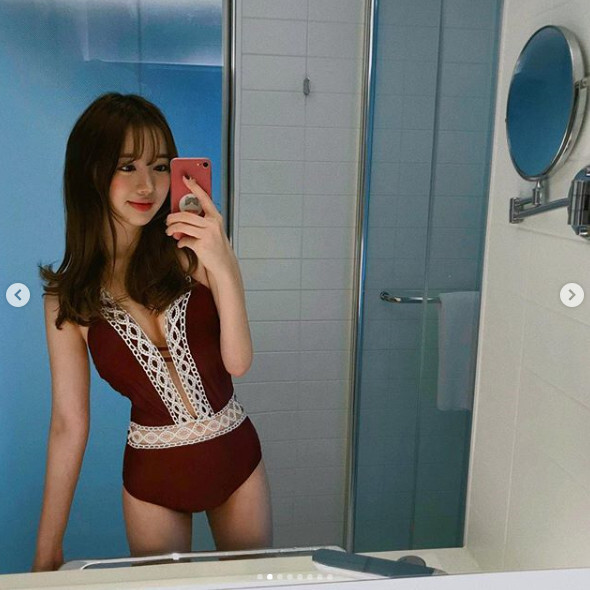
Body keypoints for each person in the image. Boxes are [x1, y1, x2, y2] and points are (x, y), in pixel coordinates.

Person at [32, 93, 272, 572]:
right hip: (152, 479)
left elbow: (239, 362)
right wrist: (47, 548)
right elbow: (69, 424)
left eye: (161, 166)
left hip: (237, 459)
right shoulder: (67, 298)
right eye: (127, 166)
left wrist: (223, 261)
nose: (148, 185)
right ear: (90, 172)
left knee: (254, 584)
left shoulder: (193, 254)